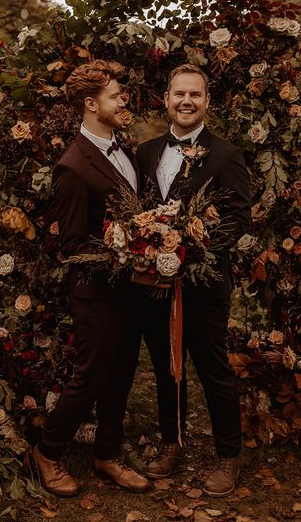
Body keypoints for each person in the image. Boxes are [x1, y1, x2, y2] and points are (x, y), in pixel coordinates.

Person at [33, 59, 149, 496]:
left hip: (132, 291)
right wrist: (129, 257)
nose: (123, 101)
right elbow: (72, 247)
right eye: (116, 96)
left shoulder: (127, 150)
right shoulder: (72, 167)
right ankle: (48, 453)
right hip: (96, 294)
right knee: (91, 376)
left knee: (122, 372)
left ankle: (107, 455)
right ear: (90, 103)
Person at [136, 63, 251, 497]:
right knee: (168, 367)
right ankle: (172, 442)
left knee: (212, 368)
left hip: (204, 285)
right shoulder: (145, 152)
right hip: (154, 284)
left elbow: (238, 218)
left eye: (195, 95)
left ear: (207, 102)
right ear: (165, 100)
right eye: (179, 94)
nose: (186, 101)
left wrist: (192, 253)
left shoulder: (226, 155)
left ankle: (228, 455)